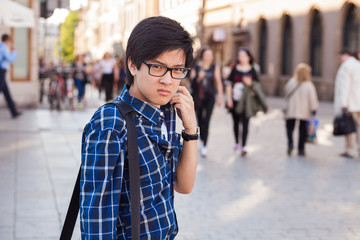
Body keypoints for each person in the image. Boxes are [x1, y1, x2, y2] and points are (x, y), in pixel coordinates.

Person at [80, 16, 198, 239]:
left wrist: (191, 128)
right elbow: (96, 219)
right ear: (133, 65)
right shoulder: (111, 123)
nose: (168, 80)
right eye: (157, 67)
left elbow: (183, 185)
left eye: (177, 70)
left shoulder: (166, 112)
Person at [225, 47, 259, 156]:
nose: (241, 57)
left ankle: (244, 145)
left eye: (243, 55)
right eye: (239, 55)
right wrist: (229, 99)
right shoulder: (235, 69)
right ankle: (237, 142)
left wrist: (249, 83)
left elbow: (257, 86)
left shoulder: (252, 70)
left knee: (245, 123)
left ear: (248, 57)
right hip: (235, 99)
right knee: (236, 122)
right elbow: (229, 84)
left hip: (247, 101)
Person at [190, 47, 223, 157]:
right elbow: (192, 83)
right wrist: (199, 78)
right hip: (198, 98)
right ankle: (202, 140)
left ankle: (204, 145)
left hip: (210, 97)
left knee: (207, 120)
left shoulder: (214, 67)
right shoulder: (196, 67)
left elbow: (218, 82)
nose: (210, 57)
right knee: (200, 121)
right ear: (203, 56)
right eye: (207, 55)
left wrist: (220, 97)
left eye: (211, 55)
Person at [284, 63, 318, 156]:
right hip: (304, 111)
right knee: (302, 129)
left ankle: (290, 144)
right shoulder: (309, 85)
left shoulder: (291, 82)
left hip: (291, 110)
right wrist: (314, 110)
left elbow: (286, 94)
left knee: (290, 128)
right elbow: (313, 99)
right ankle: (301, 148)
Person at [334, 49, 360, 158]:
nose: (340, 60)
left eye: (340, 58)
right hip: (357, 102)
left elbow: (344, 86)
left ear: (346, 55)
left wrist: (343, 103)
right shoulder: (358, 65)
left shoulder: (347, 66)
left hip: (351, 103)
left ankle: (350, 150)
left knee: (350, 128)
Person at [0, 34, 21, 118]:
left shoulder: (2, 47)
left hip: (2, 72)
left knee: (6, 93)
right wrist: (14, 51)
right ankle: (14, 112)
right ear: (7, 40)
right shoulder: (3, 48)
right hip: (1, 72)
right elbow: (10, 59)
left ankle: (14, 112)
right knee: (3, 90)